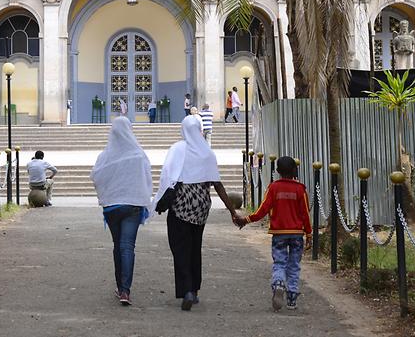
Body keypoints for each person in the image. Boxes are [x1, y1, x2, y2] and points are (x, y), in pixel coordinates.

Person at [153, 115, 241, 311]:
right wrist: (232, 212)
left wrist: (158, 201)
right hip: (201, 208)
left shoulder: (178, 149)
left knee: (180, 248)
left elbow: (167, 176)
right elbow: (217, 183)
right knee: (195, 247)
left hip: (181, 207)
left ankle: (187, 290)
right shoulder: (206, 152)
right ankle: (194, 289)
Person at [90, 117, 153, 306]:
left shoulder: (105, 156)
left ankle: (120, 286)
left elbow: (95, 176)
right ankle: (125, 290)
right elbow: (147, 178)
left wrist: (108, 193)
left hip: (112, 207)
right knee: (127, 247)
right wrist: (142, 198)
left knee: (118, 246)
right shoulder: (138, 154)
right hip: (133, 205)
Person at [236, 157, 312, 311]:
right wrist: (309, 234)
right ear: (294, 171)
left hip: (279, 233)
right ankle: (291, 299)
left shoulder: (273, 188)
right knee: (294, 265)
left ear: (277, 171)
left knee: (280, 263)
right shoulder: (300, 189)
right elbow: (305, 213)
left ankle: (278, 283)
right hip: (297, 234)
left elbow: (262, 210)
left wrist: (246, 220)